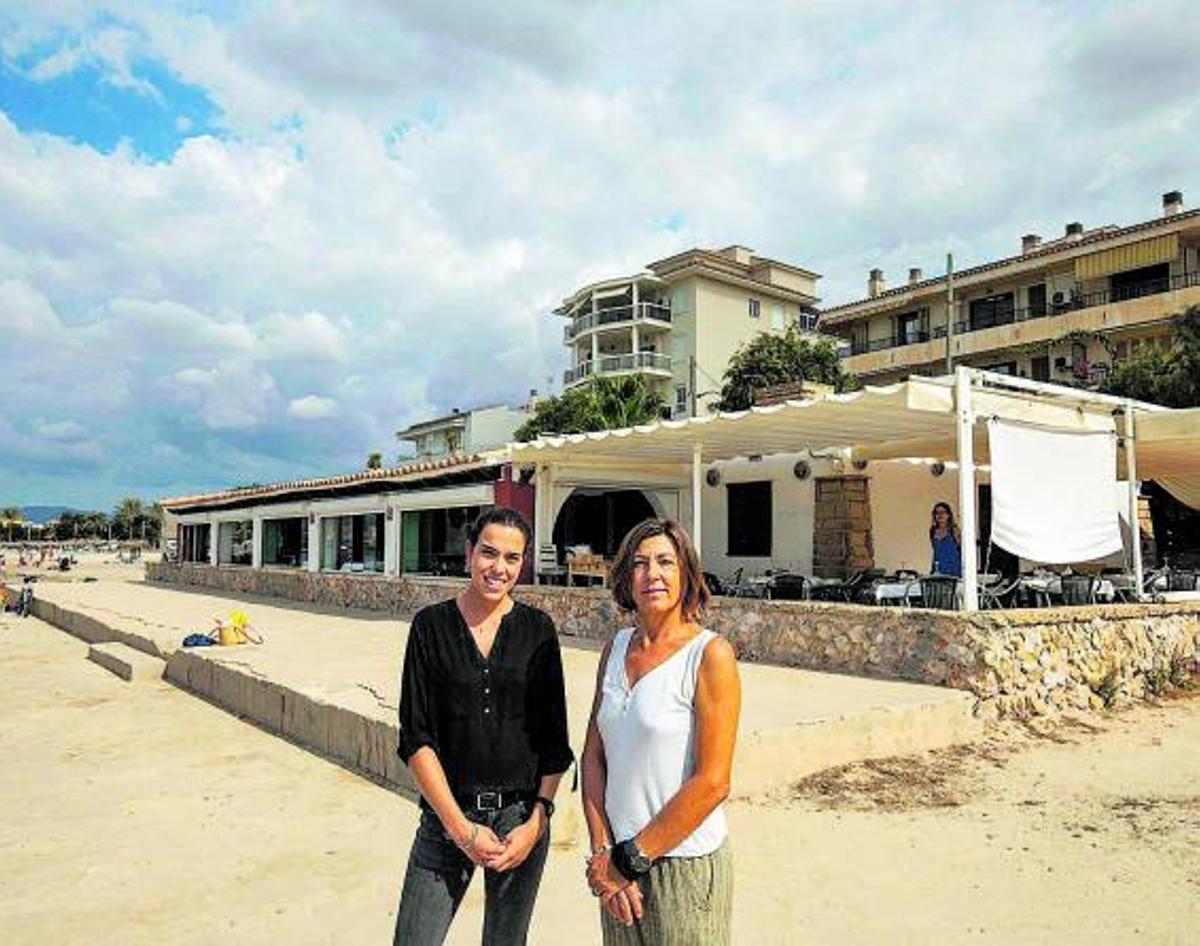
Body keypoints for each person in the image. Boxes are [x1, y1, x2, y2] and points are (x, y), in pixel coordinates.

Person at [393, 506, 573, 946]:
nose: (499, 568)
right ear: (469, 552)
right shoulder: (430, 627)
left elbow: (554, 740)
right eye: (489, 553)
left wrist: (538, 820)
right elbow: (416, 736)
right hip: (446, 820)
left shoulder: (538, 630)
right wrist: (461, 829)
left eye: (512, 558)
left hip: (520, 821)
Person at [581, 518, 741, 945]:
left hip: (682, 867)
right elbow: (594, 756)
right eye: (640, 563)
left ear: (686, 573)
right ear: (625, 578)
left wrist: (629, 860)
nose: (653, 574)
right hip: (617, 870)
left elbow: (713, 782)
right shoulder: (614, 650)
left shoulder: (709, 655)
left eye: (666, 562)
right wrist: (603, 855)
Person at [929, 501, 963, 578]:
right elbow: (936, 551)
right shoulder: (933, 530)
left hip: (954, 569)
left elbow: (961, 549)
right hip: (938, 569)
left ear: (948, 515)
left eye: (942, 512)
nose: (940, 515)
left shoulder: (954, 530)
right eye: (937, 513)